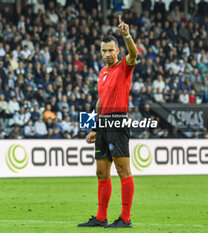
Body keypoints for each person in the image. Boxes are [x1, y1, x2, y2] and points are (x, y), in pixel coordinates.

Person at [78, 16, 138, 228]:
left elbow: (134, 54)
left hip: (117, 122)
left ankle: (125, 218)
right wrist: (93, 127)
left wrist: (126, 35)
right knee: (101, 172)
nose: (107, 54)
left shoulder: (124, 67)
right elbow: (100, 101)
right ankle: (101, 217)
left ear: (117, 51)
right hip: (102, 124)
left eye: (111, 50)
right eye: (104, 51)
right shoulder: (102, 72)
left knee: (123, 170)